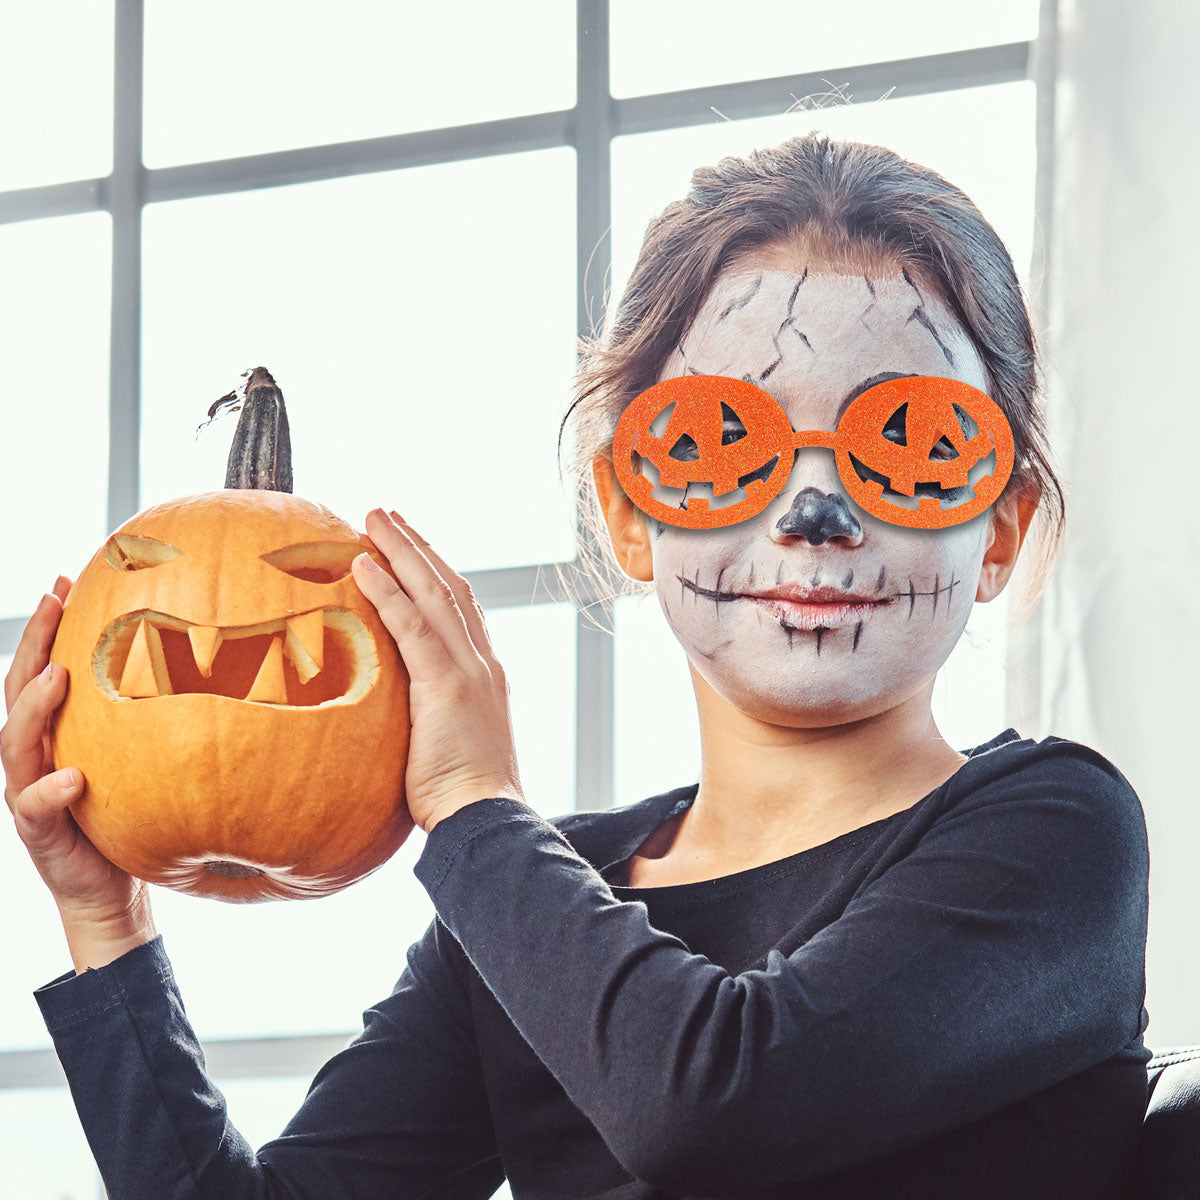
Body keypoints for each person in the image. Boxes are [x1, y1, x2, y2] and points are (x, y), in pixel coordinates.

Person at [1, 133, 1150, 1199]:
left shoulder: (1055, 828)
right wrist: (106, 921)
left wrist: (471, 808)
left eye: (911, 445)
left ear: (998, 528)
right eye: (717, 444)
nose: (815, 514)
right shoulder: (535, 903)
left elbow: (715, 1109)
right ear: (629, 514)